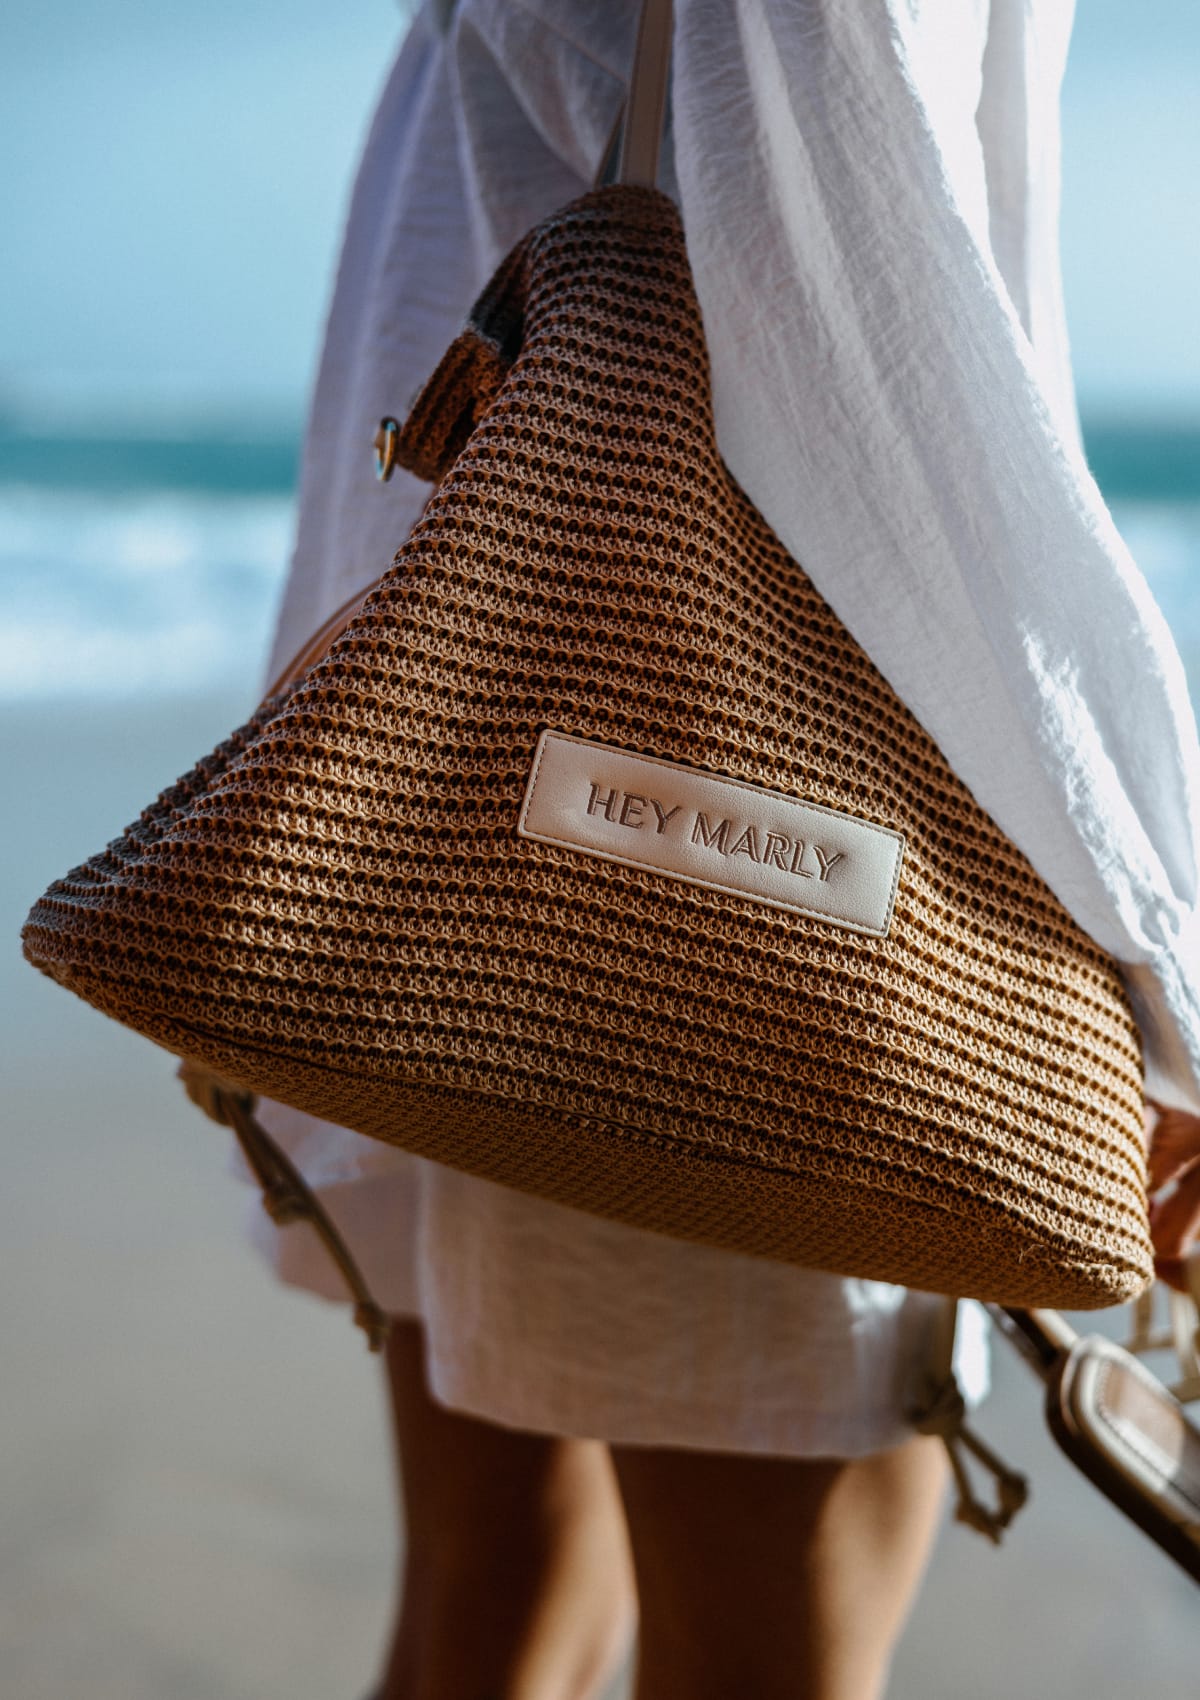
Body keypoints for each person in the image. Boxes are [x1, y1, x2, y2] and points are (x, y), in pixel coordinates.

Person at [235, 4, 1200, 1696]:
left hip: (476, 789)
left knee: (497, 1613)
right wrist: (1161, 956)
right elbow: (876, 341)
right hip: (764, 892)